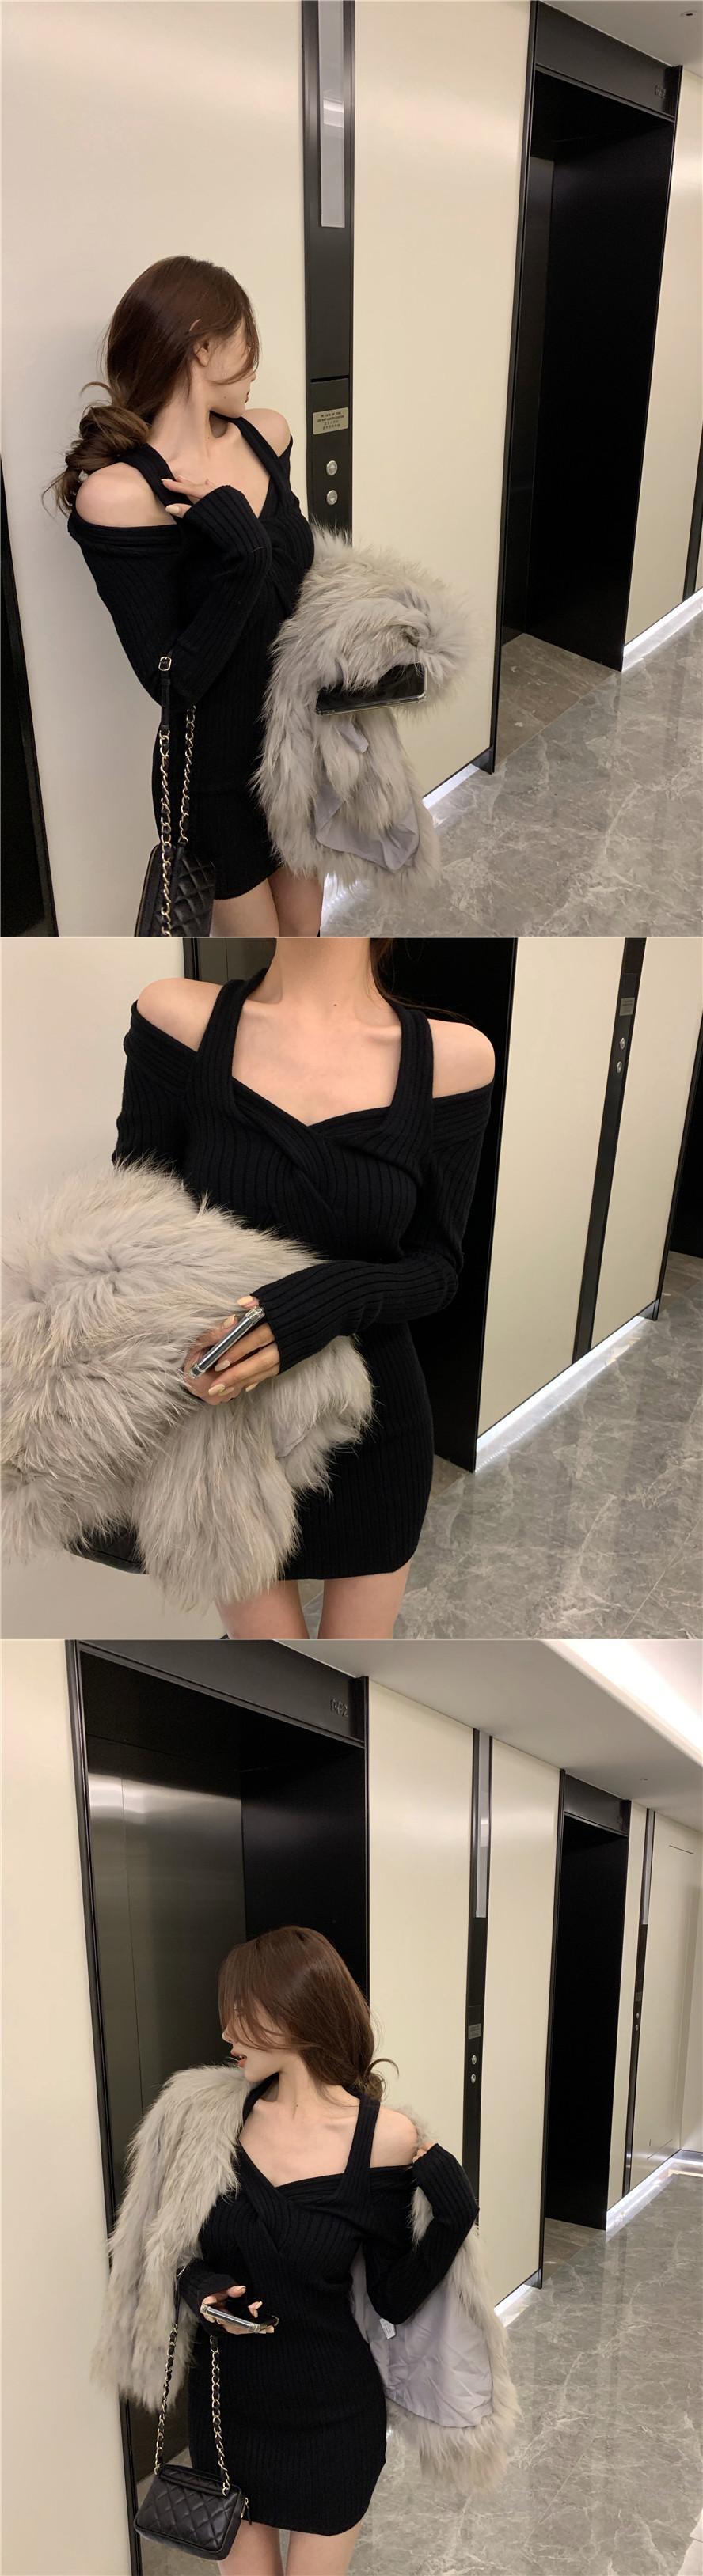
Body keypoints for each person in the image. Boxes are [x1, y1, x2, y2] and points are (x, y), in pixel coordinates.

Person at [112, 934, 495, 1637]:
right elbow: (131, 1228)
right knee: (275, 1676)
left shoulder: (456, 1059)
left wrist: (322, 1302)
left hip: (375, 1421)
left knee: (354, 1669)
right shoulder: (176, 1018)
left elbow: (438, 1267)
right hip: (221, 1432)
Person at [96, 1925, 483, 2574]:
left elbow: (393, 2297)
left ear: (298, 2012)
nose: (227, 2032)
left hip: (333, 2421)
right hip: (229, 2416)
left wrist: (454, 2216)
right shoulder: (210, 2123)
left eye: (242, 2012)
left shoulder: (384, 2138)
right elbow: (170, 2250)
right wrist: (200, 2291)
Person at [51, 255, 321, 936]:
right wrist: (243, 555)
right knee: (261, 961)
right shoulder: (120, 495)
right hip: (215, 781)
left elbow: (297, 590)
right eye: (247, 341)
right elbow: (171, 680)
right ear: (203, 347)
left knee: (310, 942)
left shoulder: (268, 435)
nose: (256, 364)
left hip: (302, 750)